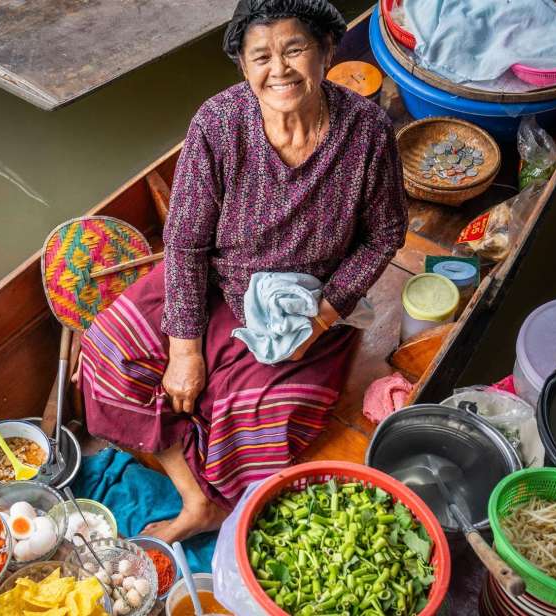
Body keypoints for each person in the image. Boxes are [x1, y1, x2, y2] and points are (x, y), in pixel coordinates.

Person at [76, 0, 407, 543]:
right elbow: (184, 243)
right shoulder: (218, 123)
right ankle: (196, 499)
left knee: (258, 415)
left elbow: (385, 236)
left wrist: (324, 316)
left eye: (294, 49)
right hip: (214, 283)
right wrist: (184, 351)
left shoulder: (367, 129)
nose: (279, 69)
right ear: (244, 68)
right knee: (111, 348)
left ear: (326, 51)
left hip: (306, 305)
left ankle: (213, 489)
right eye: (261, 57)